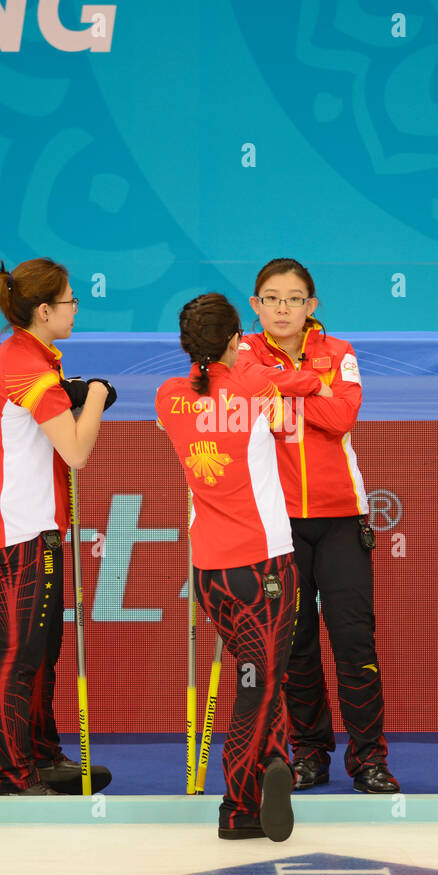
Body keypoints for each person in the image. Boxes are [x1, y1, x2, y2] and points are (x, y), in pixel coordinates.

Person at [155, 292, 333, 839]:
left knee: (261, 675)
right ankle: (237, 806)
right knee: (258, 682)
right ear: (234, 339)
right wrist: (259, 364)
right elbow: (313, 384)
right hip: (265, 569)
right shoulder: (256, 383)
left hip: (209, 572)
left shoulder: (167, 396)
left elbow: (201, 405)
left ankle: (271, 766)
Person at [239, 259, 399, 795]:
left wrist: (285, 392)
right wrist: (311, 387)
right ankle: (310, 754)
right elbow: (253, 396)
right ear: (256, 305)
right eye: (271, 298)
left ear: (312, 306)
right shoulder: (242, 353)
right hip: (278, 525)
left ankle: (370, 759)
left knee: (355, 642)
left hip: (340, 520)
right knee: (296, 645)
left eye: (294, 298)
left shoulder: (341, 352)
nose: (283, 308)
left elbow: (343, 417)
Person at [0, 257, 116, 796]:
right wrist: (99, 397)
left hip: (44, 527)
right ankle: (12, 774)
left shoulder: (36, 356)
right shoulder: (25, 365)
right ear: (43, 310)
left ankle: (41, 756)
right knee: (19, 653)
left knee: (44, 649)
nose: (75, 308)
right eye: (69, 301)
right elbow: (77, 450)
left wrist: (75, 389)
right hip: (24, 529)